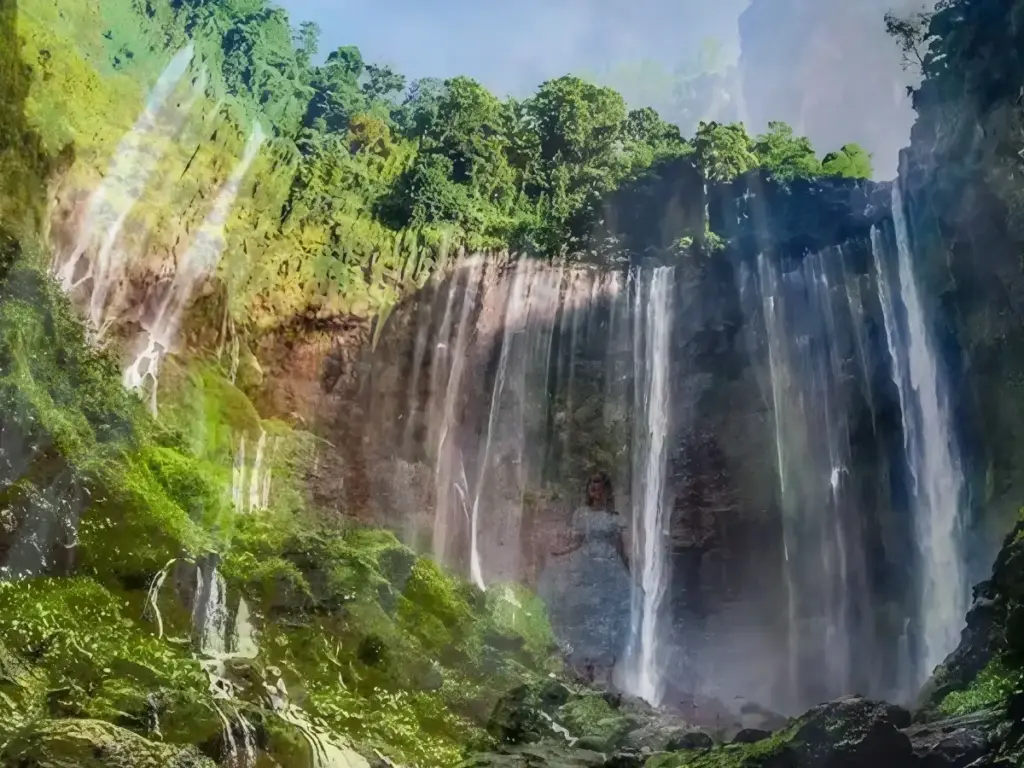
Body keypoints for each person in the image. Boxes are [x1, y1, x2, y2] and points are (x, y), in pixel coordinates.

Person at [537, 472, 632, 686]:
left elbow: (623, 550)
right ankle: (585, 673)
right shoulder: (582, 514)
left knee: (608, 620)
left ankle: (606, 677)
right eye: (591, 484)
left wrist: (632, 574)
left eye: (598, 484)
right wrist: (560, 553)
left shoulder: (615, 518)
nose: (594, 488)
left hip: (610, 569)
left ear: (606, 490)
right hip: (587, 567)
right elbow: (577, 541)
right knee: (584, 617)